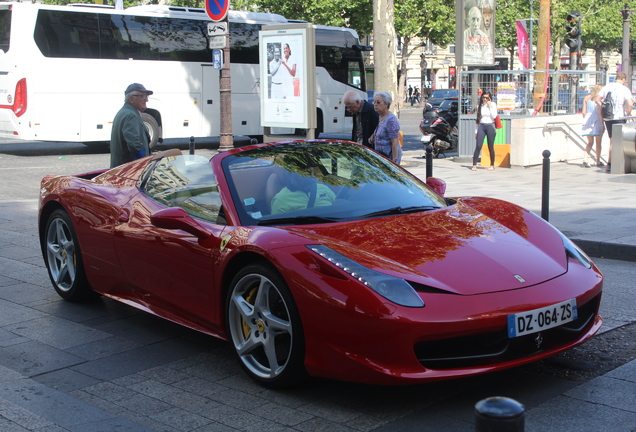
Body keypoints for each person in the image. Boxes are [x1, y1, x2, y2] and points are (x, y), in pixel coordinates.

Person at [595, 71, 633, 171]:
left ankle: (610, 163)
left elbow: (597, 99)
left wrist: (603, 107)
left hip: (608, 117)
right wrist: (628, 114)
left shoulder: (607, 87)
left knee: (612, 140)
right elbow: (630, 104)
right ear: (623, 79)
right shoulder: (625, 89)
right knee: (617, 141)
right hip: (619, 118)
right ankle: (614, 163)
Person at [110, 83, 152, 168]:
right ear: (132, 98)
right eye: (143, 96)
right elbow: (135, 145)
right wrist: (144, 164)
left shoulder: (125, 112)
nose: (146, 100)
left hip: (121, 170)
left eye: (147, 96)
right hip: (128, 172)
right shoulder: (131, 115)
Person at [271, 169, 335, 214]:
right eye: (302, 173)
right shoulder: (281, 199)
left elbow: (338, 206)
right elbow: (280, 230)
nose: (307, 176)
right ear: (290, 174)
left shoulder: (323, 188)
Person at [369, 91, 402, 164]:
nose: (375, 105)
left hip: (389, 158)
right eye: (374, 102)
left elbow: (395, 142)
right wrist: (373, 135)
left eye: (378, 102)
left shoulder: (391, 120)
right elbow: (382, 129)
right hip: (381, 157)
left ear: (386, 104)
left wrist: (394, 162)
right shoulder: (381, 116)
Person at [472, 91, 498, 171]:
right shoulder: (480, 106)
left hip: (490, 126)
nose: (485, 99)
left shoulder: (493, 105)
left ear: (490, 98)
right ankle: (474, 164)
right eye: (483, 97)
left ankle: (492, 165)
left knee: (490, 146)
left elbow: (494, 116)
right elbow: (478, 120)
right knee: (478, 145)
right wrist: (476, 131)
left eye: (487, 98)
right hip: (481, 126)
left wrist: (490, 106)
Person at [581, 84, 604, 167]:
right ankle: (598, 160)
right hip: (597, 120)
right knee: (598, 142)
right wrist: (602, 125)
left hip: (588, 120)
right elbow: (601, 113)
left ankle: (585, 158)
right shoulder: (600, 100)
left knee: (590, 142)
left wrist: (585, 120)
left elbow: (583, 112)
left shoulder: (587, 98)